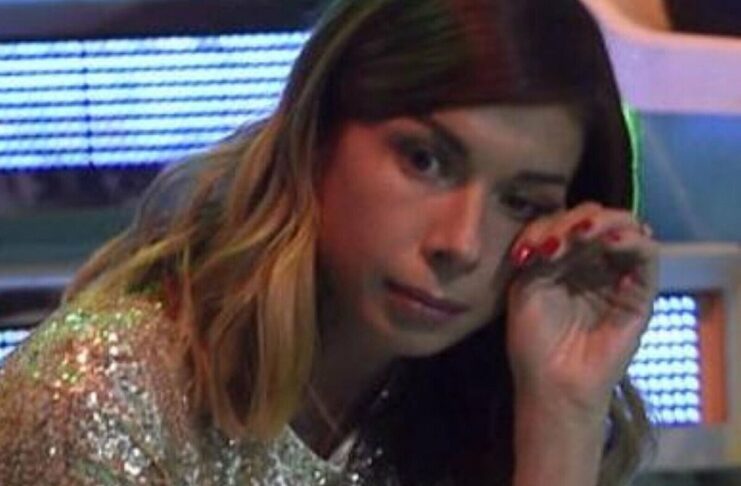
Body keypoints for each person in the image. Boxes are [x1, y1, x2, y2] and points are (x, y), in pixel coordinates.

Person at [0, 0, 658, 484]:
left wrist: (562, 413)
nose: (460, 243)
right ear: (316, 135)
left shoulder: (472, 405)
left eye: (521, 203)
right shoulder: (96, 396)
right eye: (425, 160)